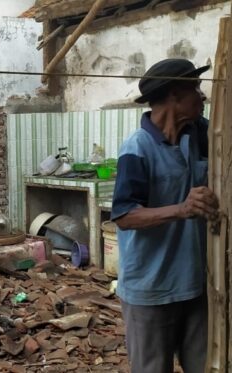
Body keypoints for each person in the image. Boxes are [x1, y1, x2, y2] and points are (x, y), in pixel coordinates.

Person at [112, 58, 219, 373]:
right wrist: (183, 209)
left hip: (198, 286)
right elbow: (125, 215)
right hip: (151, 290)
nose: (203, 96)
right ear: (174, 94)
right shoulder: (137, 147)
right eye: (195, 89)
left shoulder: (200, 134)